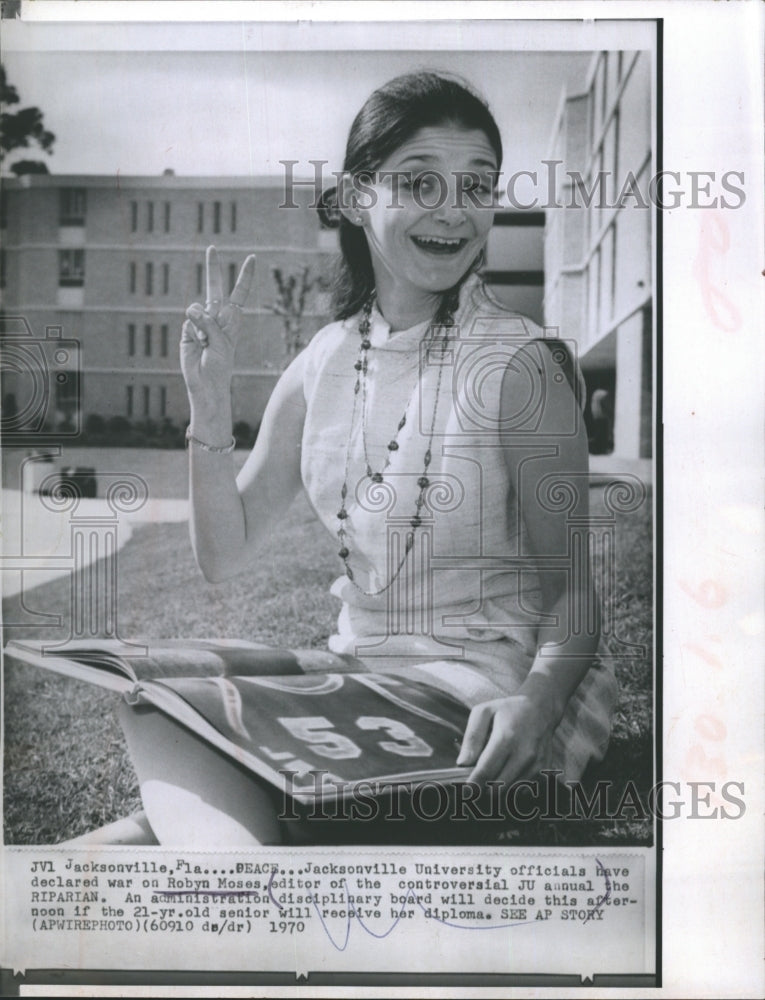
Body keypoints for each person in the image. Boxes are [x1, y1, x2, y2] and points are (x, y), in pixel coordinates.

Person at [113, 71, 617, 847]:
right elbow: (222, 551)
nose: (454, 210)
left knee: (182, 816)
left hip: (483, 695)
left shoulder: (522, 364)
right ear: (353, 198)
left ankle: (228, 885)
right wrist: (209, 410)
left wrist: (537, 702)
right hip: (355, 675)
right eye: (419, 182)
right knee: (151, 697)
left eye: (476, 185)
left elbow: (574, 596)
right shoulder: (322, 360)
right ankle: (235, 878)